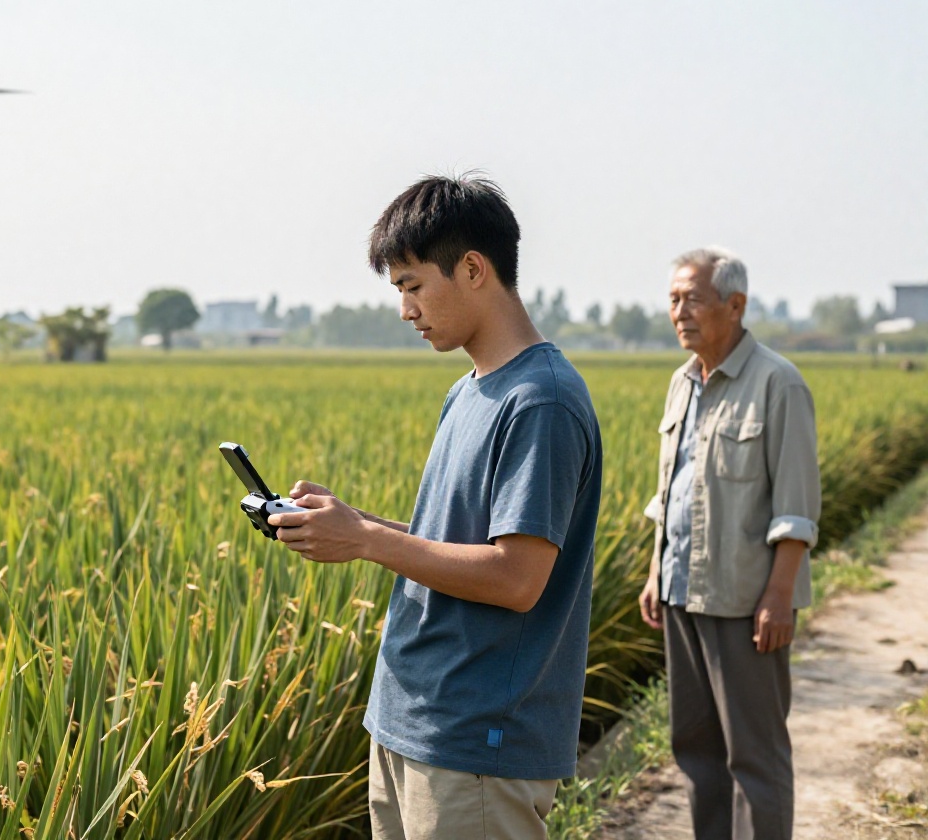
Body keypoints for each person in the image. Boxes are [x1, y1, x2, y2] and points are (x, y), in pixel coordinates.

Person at [268, 173, 603, 839]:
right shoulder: (471, 390)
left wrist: (364, 541)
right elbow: (451, 540)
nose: (405, 309)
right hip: (411, 722)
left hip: (476, 742)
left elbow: (516, 578)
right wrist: (353, 522)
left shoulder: (540, 401)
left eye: (412, 285)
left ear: (474, 269)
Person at [638, 249, 820, 840]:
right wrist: (652, 573)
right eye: (672, 300)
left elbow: (795, 507)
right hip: (682, 595)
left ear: (735, 305)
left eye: (692, 298)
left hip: (744, 603)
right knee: (695, 751)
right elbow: (671, 490)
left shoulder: (778, 383)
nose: (679, 312)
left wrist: (779, 597)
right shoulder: (682, 383)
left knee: (755, 758)